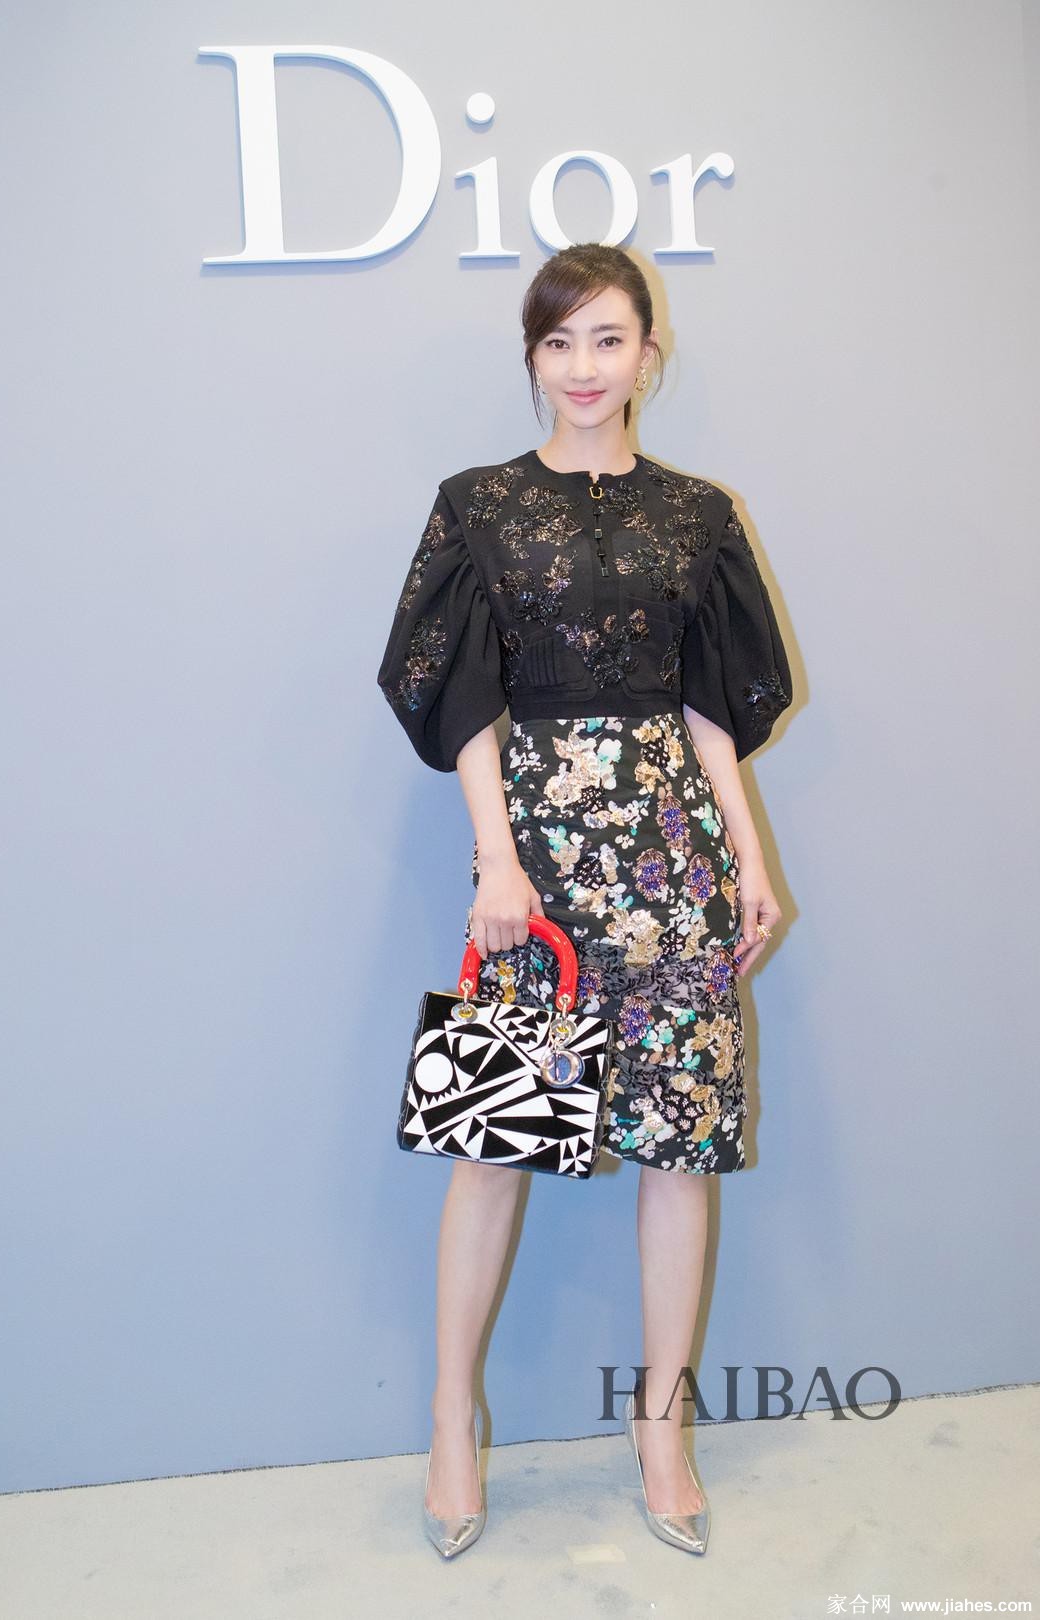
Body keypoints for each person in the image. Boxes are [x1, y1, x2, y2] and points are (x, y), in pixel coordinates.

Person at [376, 242, 793, 1559]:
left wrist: (751, 860)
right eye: (558, 342)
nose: (584, 367)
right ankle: (452, 1422)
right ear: (533, 357)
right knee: (493, 1144)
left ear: (649, 355)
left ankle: (662, 1430)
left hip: (674, 857)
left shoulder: (699, 515)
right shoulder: (479, 507)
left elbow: (710, 709)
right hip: (536, 868)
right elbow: (461, 698)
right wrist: (496, 860)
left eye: (608, 339)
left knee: (680, 1149)